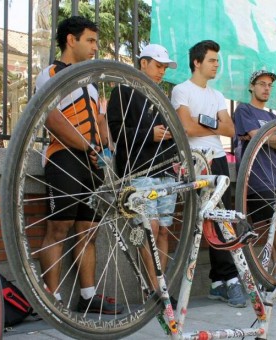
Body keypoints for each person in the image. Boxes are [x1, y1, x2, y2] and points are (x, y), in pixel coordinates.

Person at [35, 16, 122, 314]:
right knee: (59, 227)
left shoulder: (92, 82)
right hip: (63, 158)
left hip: (93, 163)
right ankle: (52, 299)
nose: (95, 47)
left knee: (88, 229)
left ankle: (88, 296)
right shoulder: (50, 74)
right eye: (90, 40)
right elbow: (52, 118)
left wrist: (106, 148)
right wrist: (86, 145)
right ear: (71, 40)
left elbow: (99, 119)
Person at [171, 40, 247, 308]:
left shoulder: (216, 95)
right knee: (204, 222)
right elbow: (186, 128)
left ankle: (222, 281)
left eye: (217, 60)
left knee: (221, 218)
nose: (217, 65)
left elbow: (230, 130)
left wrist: (204, 123)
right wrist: (211, 124)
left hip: (218, 161)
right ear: (197, 62)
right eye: (212, 60)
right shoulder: (181, 90)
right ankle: (223, 280)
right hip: (194, 162)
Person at [107, 44, 179, 293]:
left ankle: (162, 286)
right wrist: (150, 134)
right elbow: (116, 132)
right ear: (143, 63)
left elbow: (173, 134)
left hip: (165, 171)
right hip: (137, 171)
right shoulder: (123, 92)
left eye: (164, 68)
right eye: (158, 66)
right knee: (150, 227)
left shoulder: (161, 96)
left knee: (164, 231)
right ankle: (155, 289)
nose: (162, 72)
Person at [233, 69, 276, 279]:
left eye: (269, 85)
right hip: (258, 179)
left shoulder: (271, 116)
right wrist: (271, 138)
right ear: (252, 86)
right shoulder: (244, 111)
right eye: (262, 84)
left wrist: (268, 138)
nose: (266, 88)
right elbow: (256, 137)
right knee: (274, 225)